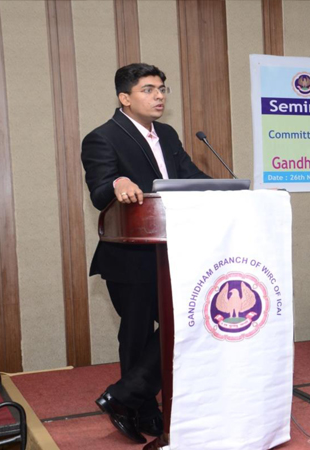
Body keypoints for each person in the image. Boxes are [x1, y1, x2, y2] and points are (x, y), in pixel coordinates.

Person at [81, 63, 210, 444]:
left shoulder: (167, 134)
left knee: (182, 324)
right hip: (129, 256)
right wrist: (117, 181)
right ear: (125, 98)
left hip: (172, 252)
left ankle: (124, 399)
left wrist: (237, 190)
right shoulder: (102, 138)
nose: (159, 96)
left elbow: (190, 176)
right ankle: (144, 409)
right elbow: (100, 189)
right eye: (148, 89)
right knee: (136, 335)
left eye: (162, 89)